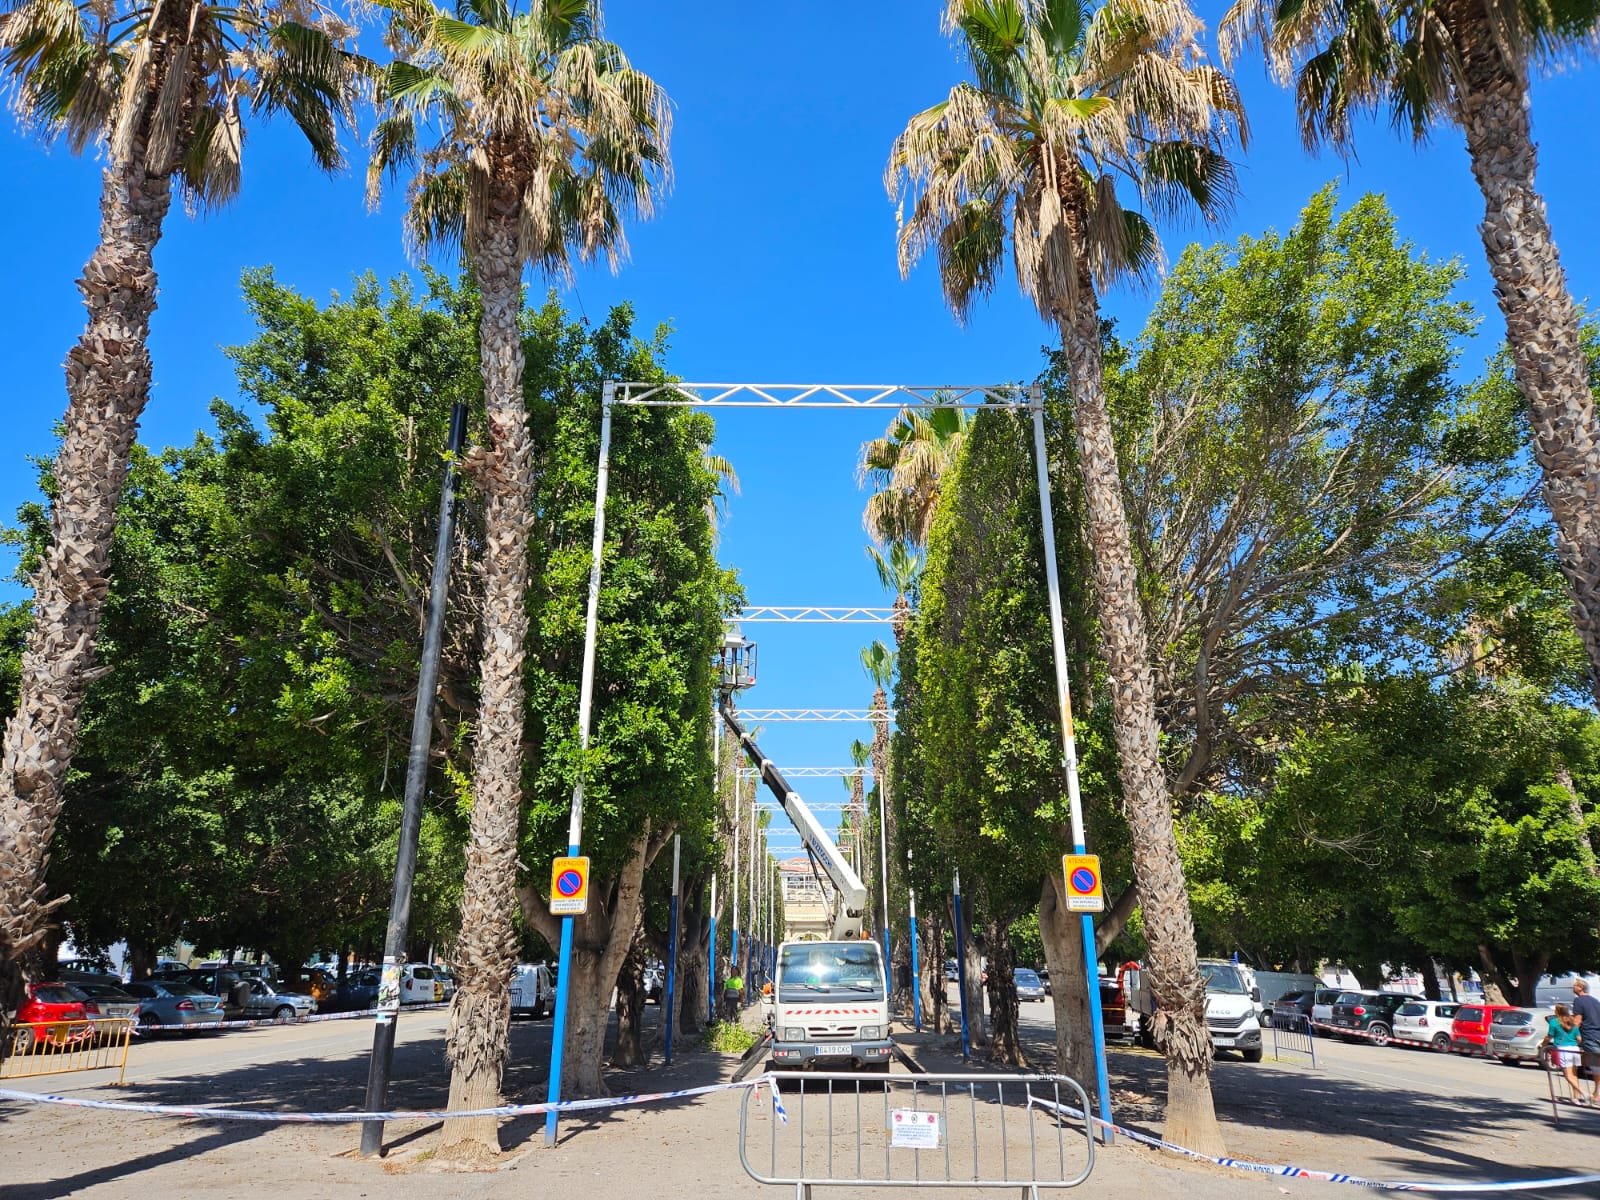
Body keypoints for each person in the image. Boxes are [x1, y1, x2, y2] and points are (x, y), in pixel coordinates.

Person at [1542, 1003, 1585, 1102]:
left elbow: (1549, 1036)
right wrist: (1573, 1043)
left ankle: (1584, 1093)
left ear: (1557, 1011)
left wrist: (1543, 1044)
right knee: (1574, 1075)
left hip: (1563, 1049)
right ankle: (1575, 1098)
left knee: (1568, 1075)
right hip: (1574, 1049)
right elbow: (1579, 1038)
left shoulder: (1554, 1022)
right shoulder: (1572, 1022)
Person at [1571, 978, 1600, 1105]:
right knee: (1596, 1065)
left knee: (1595, 1066)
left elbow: (1577, 1021)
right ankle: (1595, 1094)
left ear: (1580, 987)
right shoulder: (1596, 1001)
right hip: (1597, 1035)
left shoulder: (1578, 1001)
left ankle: (1594, 1095)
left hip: (1588, 1036)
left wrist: (1570, 1035)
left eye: (1574, 985)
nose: (1572, 987)